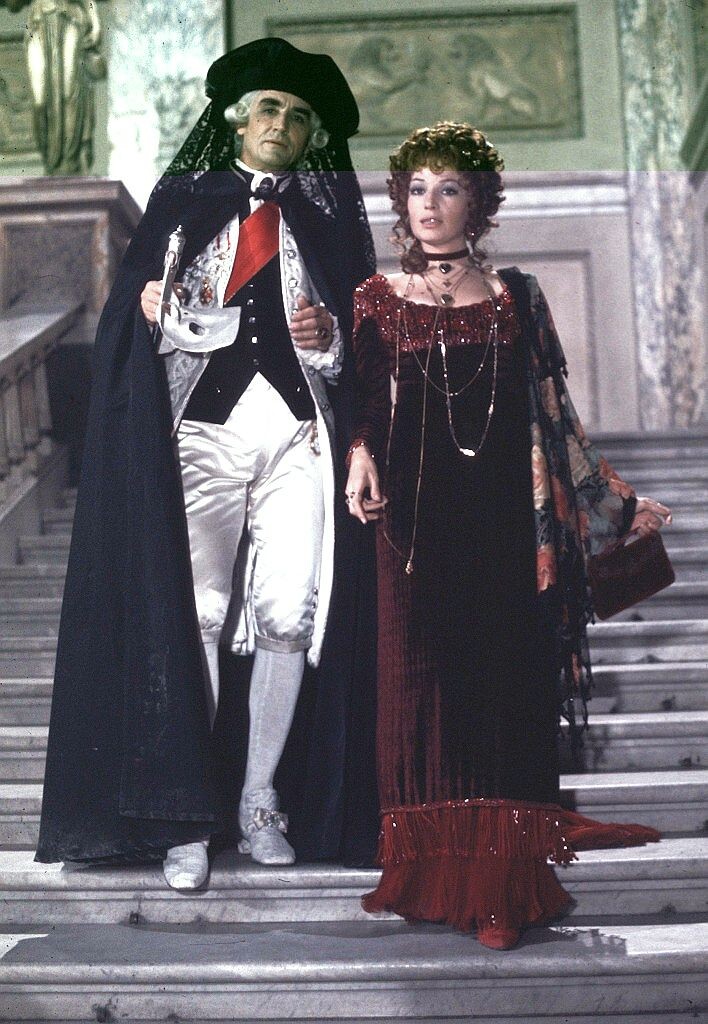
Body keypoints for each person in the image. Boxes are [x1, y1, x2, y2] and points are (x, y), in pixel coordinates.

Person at [35, 38, 379, 888]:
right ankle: (185, 815)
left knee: (290, 612)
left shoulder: (327, 219)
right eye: (269, 108)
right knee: (197, 611)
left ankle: (260, 801)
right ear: (236, 118)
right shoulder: (186, 202)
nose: (283, 123)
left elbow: (364, 344)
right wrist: (149, 306)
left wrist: (331, 337)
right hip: (204, 433)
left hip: (298, 434)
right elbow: (126, 323)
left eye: (299, 116)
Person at [345, 122, 671, 950]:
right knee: (422, 695)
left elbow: (556, 415)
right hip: (412, 530)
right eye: (417, 189)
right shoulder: (376, 298)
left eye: (449, 187)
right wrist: (358, 456)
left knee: (500, 697)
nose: (430, 204)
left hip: (504, 527)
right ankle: (431, 873)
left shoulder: (517, 296)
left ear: (479, 203)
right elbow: (366, 404)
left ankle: (503, 886)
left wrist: (614, 500)